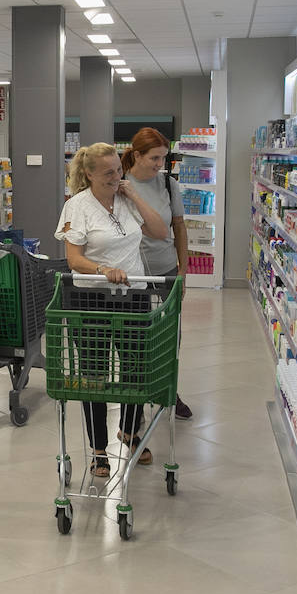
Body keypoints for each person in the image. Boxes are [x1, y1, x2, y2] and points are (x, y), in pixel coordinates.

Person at [56, 143, 170, 477]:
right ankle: (98, 450)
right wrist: (103, 270)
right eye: (108, 172)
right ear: (89, 174)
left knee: (136, 369)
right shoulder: (77, 206)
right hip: (91, 300)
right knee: (95, 376)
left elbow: (160, 232)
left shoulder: (126, 199)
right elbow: (74, 259)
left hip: (133, 296)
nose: (116, 176)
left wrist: (133, 195)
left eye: (119, 169)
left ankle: (130, 432)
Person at [121, 127, 194, 421]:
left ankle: (167, 389)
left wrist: (182, 271)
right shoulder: (121, 184)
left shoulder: (167, 184)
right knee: (133, 339)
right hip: (131, 274)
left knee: (169, 336)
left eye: (163, 158)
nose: (160, 164)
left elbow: (179, 227)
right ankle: (134, 401)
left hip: (165, 270)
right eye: (154, 158)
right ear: (137, 155)